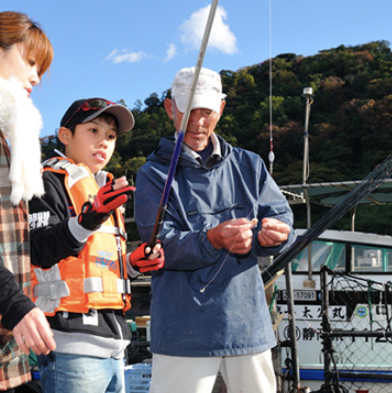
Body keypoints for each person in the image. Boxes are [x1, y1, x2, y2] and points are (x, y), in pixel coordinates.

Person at [134, 67, 296, 393]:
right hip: (182, 331)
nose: (198, 121)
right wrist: (212, 238)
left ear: (220, 109)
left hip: (247, 324)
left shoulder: (251, 165)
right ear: (170, 109)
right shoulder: (152, 174)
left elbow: (284, 222)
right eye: (187, 110)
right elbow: (159, 246)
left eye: (206, 111)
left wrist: (277, 236)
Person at [28, 97, 165, 393]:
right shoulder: (44, 181)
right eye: (93, 131)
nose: (103, 142)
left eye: (111, 136)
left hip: (116, 347)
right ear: (65, 135)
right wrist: (88, 219)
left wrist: (132, 264)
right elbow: (38, 249)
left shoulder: (104, 190)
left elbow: (96, 266)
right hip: (69, 346)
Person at [0, 11, 55, 393]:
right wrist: (16, 304)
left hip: (6, 346)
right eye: (30, 62)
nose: (36, 77)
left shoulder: (5, 130)